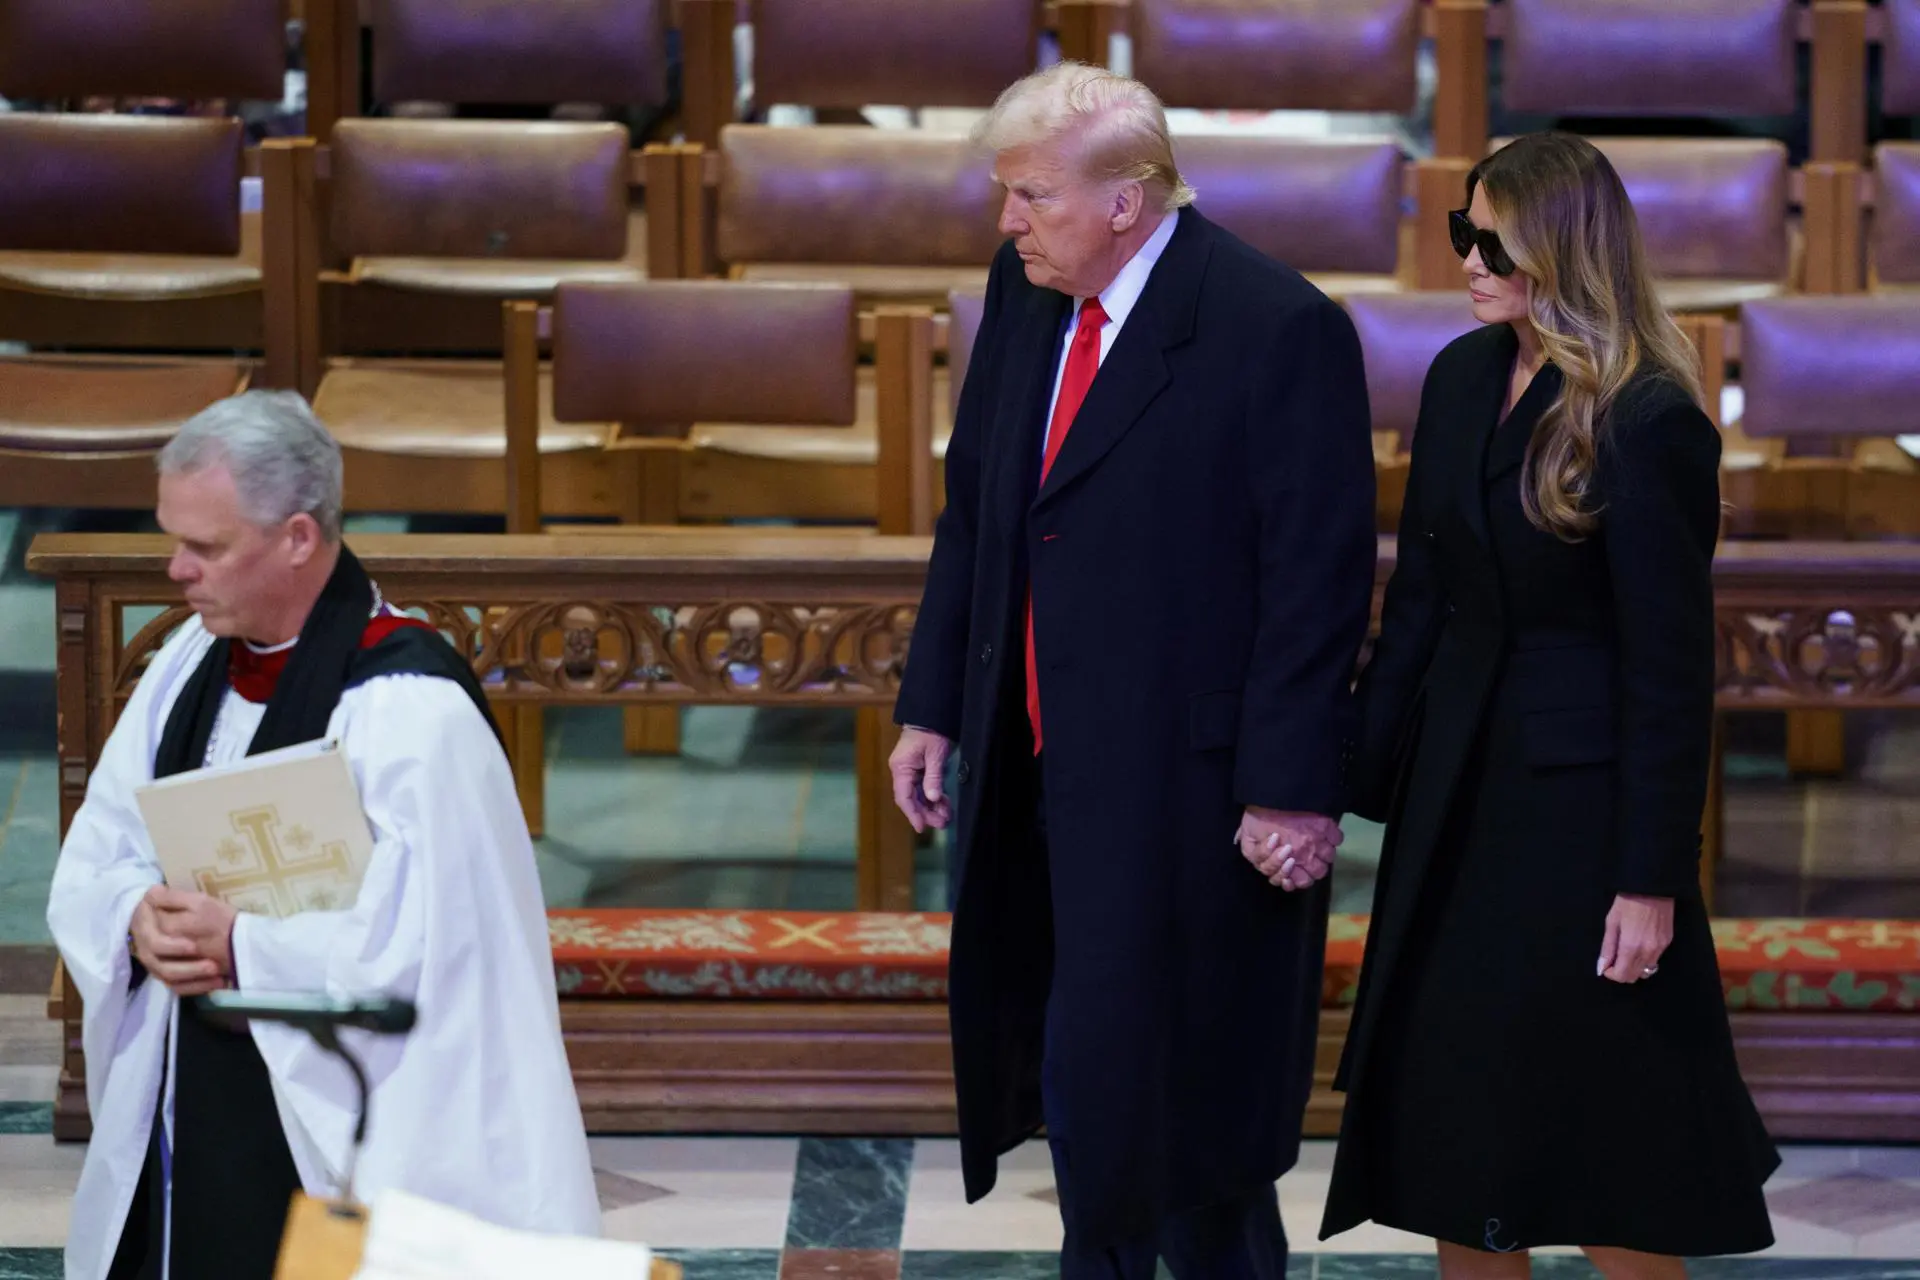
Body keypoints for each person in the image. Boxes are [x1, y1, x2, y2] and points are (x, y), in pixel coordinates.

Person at [888, 63, 1377, 1280]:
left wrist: (1290, 788)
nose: (1008, 219)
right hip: (1035, 770)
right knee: (1092, 1094)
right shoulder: (1026, 286)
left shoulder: (1277, 326)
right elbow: (977, 511)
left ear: (1126, 200)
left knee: (1194, 1125)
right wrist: (934, 703)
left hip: (1190, 791)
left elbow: (1316, 583)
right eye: (1005, 191)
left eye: (1033, 195)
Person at [1319, 132, 1779, 1277]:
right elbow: (1419, 601)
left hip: (1579, 827)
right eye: (1462, 234)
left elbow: (1668, 671)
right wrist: (1338, 786)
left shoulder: (1649, 415)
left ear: (1564, 251)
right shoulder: (1460, 375)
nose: (1469, 261)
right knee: (1455, 1133)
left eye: (1495, 243)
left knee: (1605, 1142)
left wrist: (1652, 877)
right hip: (1456, 804)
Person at [48, 391, 601, 1280]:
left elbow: (435, 954)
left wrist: (245, 945)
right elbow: (106, 843)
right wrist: (134, 916)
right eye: (173, 539)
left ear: (298, 538)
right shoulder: (187, 665)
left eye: (205, 547)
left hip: (338, 1112)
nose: (176, 570)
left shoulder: (412, 712)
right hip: (190, 1086)